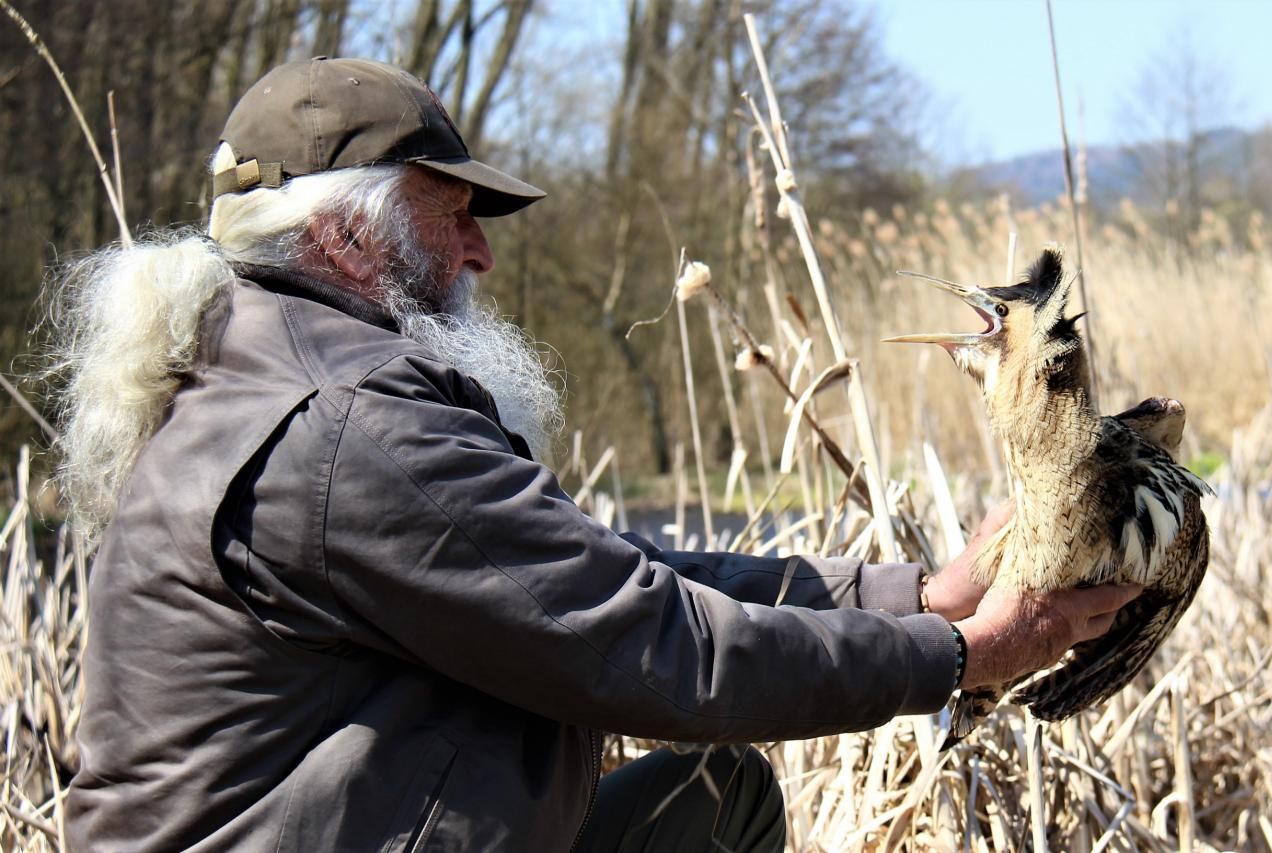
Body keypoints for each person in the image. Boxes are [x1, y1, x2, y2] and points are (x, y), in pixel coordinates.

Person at [52, 57, 1140, 852]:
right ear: (342, 236)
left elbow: (594, 574)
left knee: (713, 802)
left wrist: (915, 592)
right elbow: (650, 644)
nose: (480, 249)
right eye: (452, 214)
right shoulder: (346, 427)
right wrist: (956, 657)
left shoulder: (264, 375)